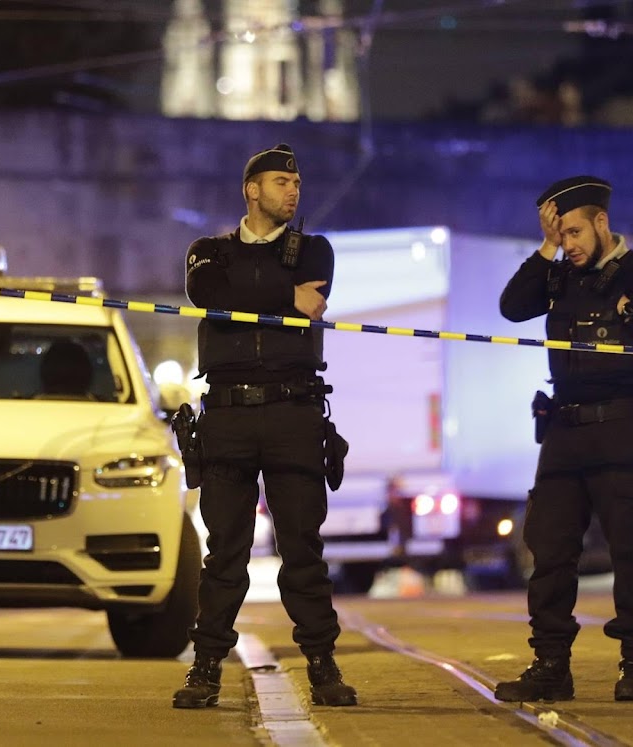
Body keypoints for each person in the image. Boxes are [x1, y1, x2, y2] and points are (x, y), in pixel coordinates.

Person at [494, 175, 633, 703]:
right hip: (564, 429)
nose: (572, 245)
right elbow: (512, 306)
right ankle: (552, 665)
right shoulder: (560, 277)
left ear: (602, 222)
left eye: (577, 232)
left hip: (624, 429)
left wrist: (631, 312)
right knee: (550, 550)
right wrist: (546, 249)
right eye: (563, 236)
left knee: (631, 552)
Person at [172, 143, 357, 709]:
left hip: (293, 413)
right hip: (226, 415)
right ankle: (205, 669)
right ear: (252, 190)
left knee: (303, 546)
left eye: (296, 182)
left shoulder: (314, 251)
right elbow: (208, 295)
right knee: (225, 551)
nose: (292, 190)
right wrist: (283, 297)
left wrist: (263, 297)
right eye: (280, 182)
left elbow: (309, 300)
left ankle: (323, 667)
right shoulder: (208, 252)